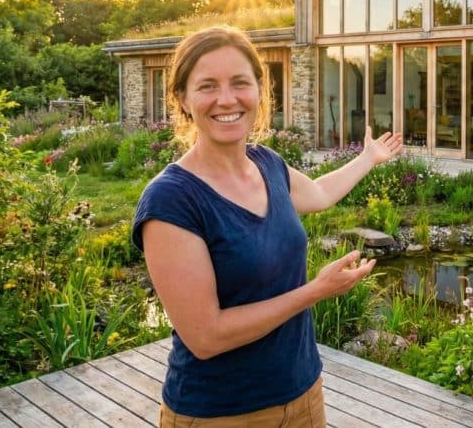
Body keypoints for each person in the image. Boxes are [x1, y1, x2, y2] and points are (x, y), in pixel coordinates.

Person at [132, 26, 403, 427]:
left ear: (260, 91)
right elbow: (206, 337)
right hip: (220, 414)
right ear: (182, 100)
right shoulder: (172, 200)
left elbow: (320, 193)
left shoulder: (267, 163)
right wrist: (315, 292)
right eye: (207, 86)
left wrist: (368, 158)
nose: (227, 99)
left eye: (240, 83)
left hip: (303, 394)